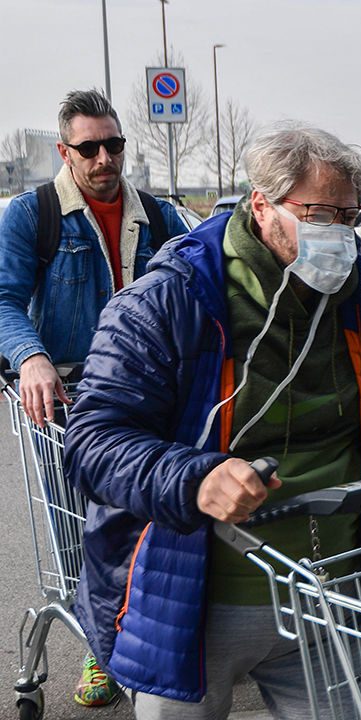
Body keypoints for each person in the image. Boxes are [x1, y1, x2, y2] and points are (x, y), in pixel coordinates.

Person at [61, 122, 361, 716]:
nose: (336, 232)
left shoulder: (352, 298)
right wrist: (195, 477)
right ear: (262, 205)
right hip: (194, 599)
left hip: (326, 588)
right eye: (317, 212)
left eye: (348, 215)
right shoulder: (171, 299)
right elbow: (93, 439)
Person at [0, 89, 187, 708]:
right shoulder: (35, 215)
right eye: (90, 148)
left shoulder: (160, 217)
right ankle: (101, 649)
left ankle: (152, 635)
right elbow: (3, 298)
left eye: (113, 144)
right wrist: (30, 358)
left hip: (148, 389)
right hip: (70, 397)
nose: (104, 158)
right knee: (81, 526)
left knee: (155, 516)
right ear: (65, 151)